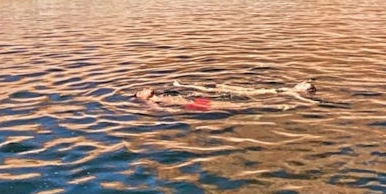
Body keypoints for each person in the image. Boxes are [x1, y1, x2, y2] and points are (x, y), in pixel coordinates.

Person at [135, 79, 317, 110]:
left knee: (235, 100)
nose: (143, 89)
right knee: (237, 106)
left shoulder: (161, 95)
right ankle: (276, 106)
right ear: (142, 97)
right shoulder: (152, 102)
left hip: (195, 101)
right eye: (140, 91)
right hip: (193, 106)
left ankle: (278, 101)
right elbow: (163, 112)